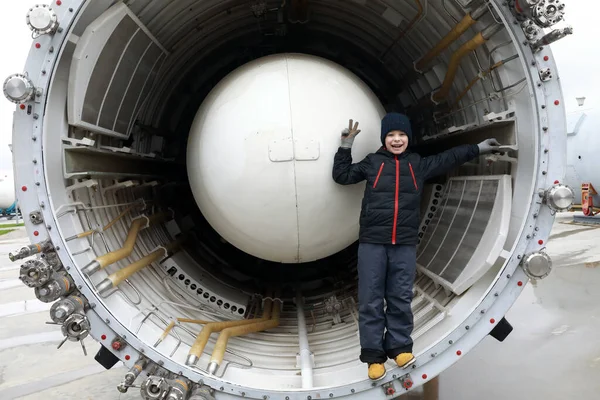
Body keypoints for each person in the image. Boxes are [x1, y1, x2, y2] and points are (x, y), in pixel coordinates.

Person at [332, 112, 501, 380]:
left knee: (400, 296)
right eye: (391, 135)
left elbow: (449, 158)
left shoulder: (417, 165)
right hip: (373, 243)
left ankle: (399, 348)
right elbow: (342, 175)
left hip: (404, 243)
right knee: (371, 298)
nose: (396, 140)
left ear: (408, 138)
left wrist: (477, 149)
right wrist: (345, 146)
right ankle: (373, 357)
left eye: (401, 135)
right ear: (384, 139)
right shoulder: (372, 163)